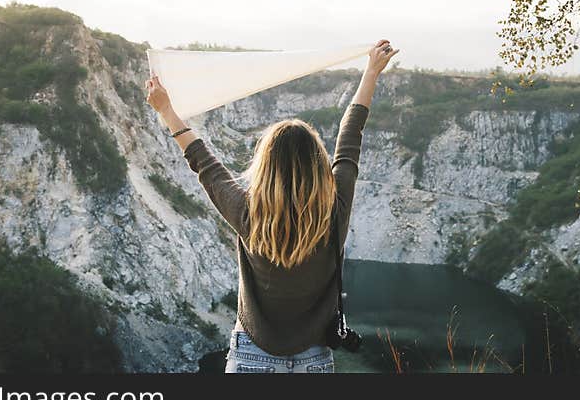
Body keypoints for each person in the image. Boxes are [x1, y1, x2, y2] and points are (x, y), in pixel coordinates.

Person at [145, 39, 399, 373]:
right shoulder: (334, 211)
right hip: (314, 358)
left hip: (252, 355)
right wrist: (371, 72)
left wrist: (166, 110)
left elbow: (204, 163)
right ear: (317, 166)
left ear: (265, 166)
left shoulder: (247, 213)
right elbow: (350, 139)